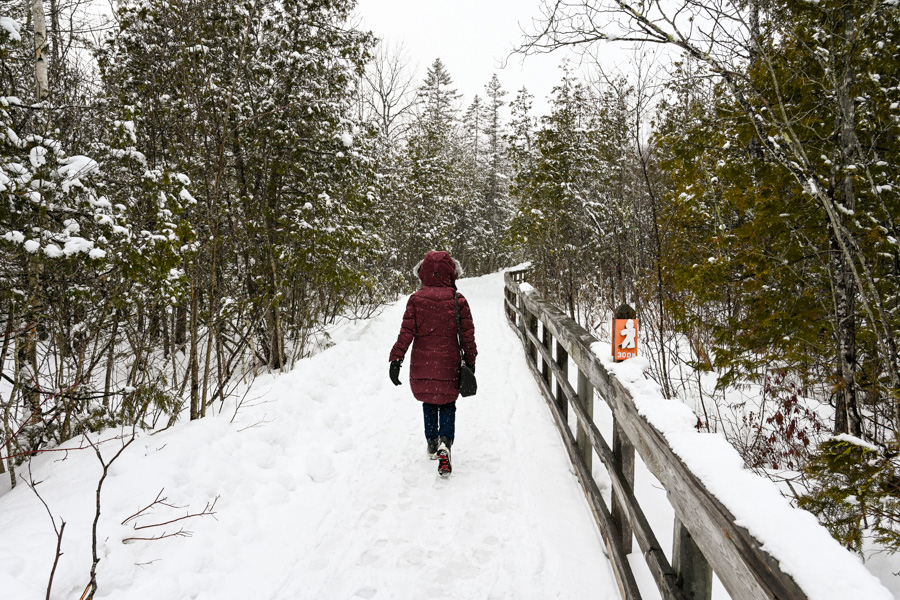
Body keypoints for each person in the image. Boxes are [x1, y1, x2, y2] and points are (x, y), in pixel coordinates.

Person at [389, 250, 477, 477]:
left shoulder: (416, 300)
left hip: (423, 361)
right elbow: (467, 335)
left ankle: (431, 442)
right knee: (447, 402)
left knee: (429, 401)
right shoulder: (458, 301)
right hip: (449, 362)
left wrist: (396, 359)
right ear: (452, 273)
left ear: (423, 273)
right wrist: (470, 361)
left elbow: (406, 332)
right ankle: (445, 443)